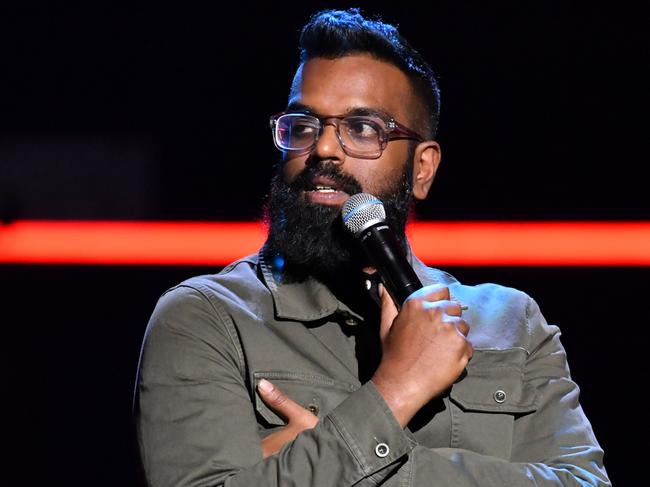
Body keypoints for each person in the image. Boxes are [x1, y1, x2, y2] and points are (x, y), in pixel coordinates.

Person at [134, 8, 610, 486]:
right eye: (303, 124)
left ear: (422, 169)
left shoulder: (510, 324)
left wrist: (329, 456)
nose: (322, 148)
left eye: (363, 129)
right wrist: (396, 389)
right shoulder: (206, 319)